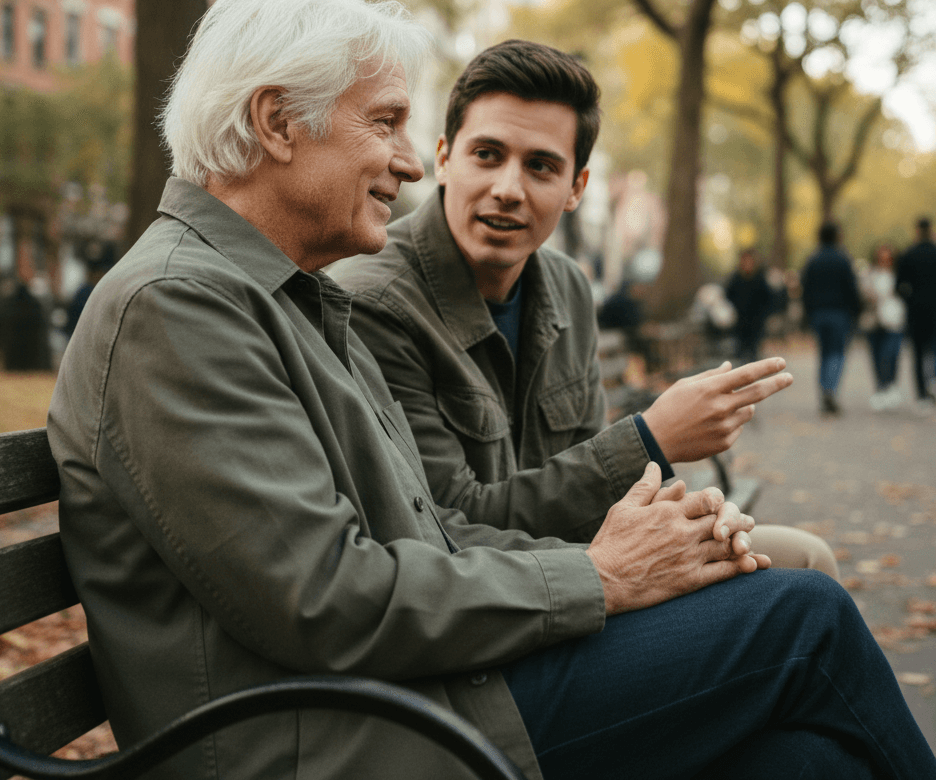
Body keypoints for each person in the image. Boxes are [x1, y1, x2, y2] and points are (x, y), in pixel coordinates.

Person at [47, 0, 935, 780]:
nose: (407, 163)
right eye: (384, 123)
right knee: (804, 620)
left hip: (406, 693)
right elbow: (324, 600)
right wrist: (601, 576)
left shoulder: (286, 299)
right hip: (329, 739)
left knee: (808, 762)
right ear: (278, 123)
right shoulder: (176, 307)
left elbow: (431, 533)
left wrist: (625, 556)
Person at [333, 39, 836, 576]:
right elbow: (444, 524)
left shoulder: (566, 286)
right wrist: (652, 439)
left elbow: (591, 482)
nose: (508, 188)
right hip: (502, 589)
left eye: (541, 167)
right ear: (443, 159)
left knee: (804, 559)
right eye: (487, 155)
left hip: (583, 557)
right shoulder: (374, 302)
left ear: (575, 188)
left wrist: (685, 514)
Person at [801, 221, 861, 415]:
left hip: (818, 314)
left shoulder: (813, 260)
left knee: (823, 352)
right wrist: (857, 312)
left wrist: (808, 313)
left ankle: (824, 390)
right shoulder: (843, 259)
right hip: (839, 314)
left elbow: (805, 289)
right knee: (837, 353)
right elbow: (851, 288)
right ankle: (831, 389)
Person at [896, 216, 936, 408]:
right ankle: (933, 380)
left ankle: (922, 394)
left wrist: (910, 300)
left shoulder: (909, 254)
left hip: (916, 311)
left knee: (918, 354)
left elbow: (899, 285)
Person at [861, 244, 906, 411]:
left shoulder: (899, 275)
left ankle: (890, 385)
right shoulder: (869, 274)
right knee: (876, 357)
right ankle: (880, 388)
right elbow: (862, 293)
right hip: (874, 322)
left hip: (894, 321)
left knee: (890, 355)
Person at [724, 247, 776, 364]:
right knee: (740, 352)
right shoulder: (736, 278)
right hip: (740, 321)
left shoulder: (760, 278)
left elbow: (768, 298)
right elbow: (728, 295)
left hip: (756, 322)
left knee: (754, 351)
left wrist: (764, 314)